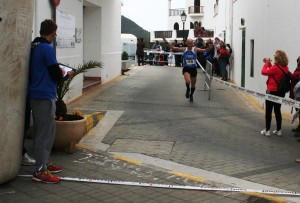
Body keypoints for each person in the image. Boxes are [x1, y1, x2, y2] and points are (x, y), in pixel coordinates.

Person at [28, 19, 74, 183]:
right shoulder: (46, 48)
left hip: (36, 94)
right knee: (44, 134)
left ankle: (45, 162)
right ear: (53, 33)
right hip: (44, 95)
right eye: (55, 32)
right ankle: (40, 171)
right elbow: (55, 75)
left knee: (43, 132)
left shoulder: (34, 45)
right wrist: (66, 75)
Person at [162, 36, 207, 102]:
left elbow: (204, 50)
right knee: (188, 81)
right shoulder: (184, 49)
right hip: (186, 68)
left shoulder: (195, 49)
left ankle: (191, 95)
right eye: (188, 43)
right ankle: (188, 89)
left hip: (193, 69)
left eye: (190, 43)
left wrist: (211, 47)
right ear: (186, 43)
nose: (189, 44)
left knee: (193, 85)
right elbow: (173, 47)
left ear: (193, 43)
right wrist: (165, 40)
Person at [261, 50, 290, 137]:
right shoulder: (285, 68)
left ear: (277, 59)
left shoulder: (275, 68)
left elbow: (264, 72)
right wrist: (270, 64)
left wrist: (266, 63)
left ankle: (267, 130)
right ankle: (279, 130)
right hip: (280, 92)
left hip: (272, 91)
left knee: (268, 111)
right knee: (277, 110)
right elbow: (273, 71)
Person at [290, 56, 300, 135]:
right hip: (297, 94)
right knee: (298, 112)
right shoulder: (297, 68)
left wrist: (290, 74)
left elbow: (295, 77)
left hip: (298, 94)